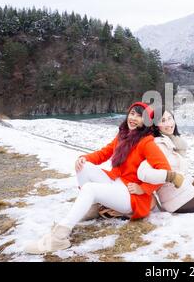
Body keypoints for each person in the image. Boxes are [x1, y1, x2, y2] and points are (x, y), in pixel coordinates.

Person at [24, 102, 171, 254]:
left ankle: (59, 238)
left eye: (140, 116)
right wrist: (84, 158)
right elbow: (104, 153)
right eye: (132, 113)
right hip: (117, 183)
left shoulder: (147, 142)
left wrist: (143, 188)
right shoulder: (123, 134)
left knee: (90, 188)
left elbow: (165, 171)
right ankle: (91, 208)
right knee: (84, 166)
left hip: (131, 196)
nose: (133, 118)